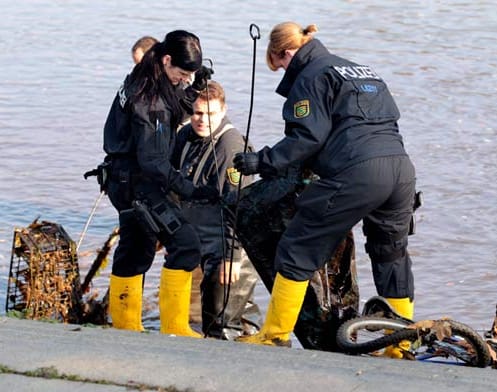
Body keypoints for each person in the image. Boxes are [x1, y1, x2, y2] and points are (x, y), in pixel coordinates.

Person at [233, 22, 417, 347]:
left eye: (279, 66)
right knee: (391, 254)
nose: (282, 72)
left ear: (286, 53)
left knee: (296, 249)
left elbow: (307, 137)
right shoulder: (362, 71)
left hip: (358, 173)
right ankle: (401, 345)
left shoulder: (310, 76)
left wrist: (262, 161)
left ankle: (273, 336)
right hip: (401, 170)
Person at [103, 30, 216, 338]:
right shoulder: (149, 99)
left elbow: (175, 103)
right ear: (167, 60)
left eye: (191, 74)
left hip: (125, 176)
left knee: (136, 250)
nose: (185, 80)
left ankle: (126, 329)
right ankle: (175, 327)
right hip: (136, 182)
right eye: (182, 73)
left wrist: (194, 88)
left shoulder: (148, 71)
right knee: (185, 243)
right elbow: (154, 161)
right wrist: (191, 190)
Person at [172, 80, 260, 339]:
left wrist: (231, 257)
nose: (202, 120)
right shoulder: (185, 136)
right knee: (238, 317)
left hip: (230, 242)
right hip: (201, 235)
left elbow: (237, 205)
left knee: (221, 325)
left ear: (223, 111)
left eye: (210, 114)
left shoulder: (230, 146)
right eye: (198, 113)